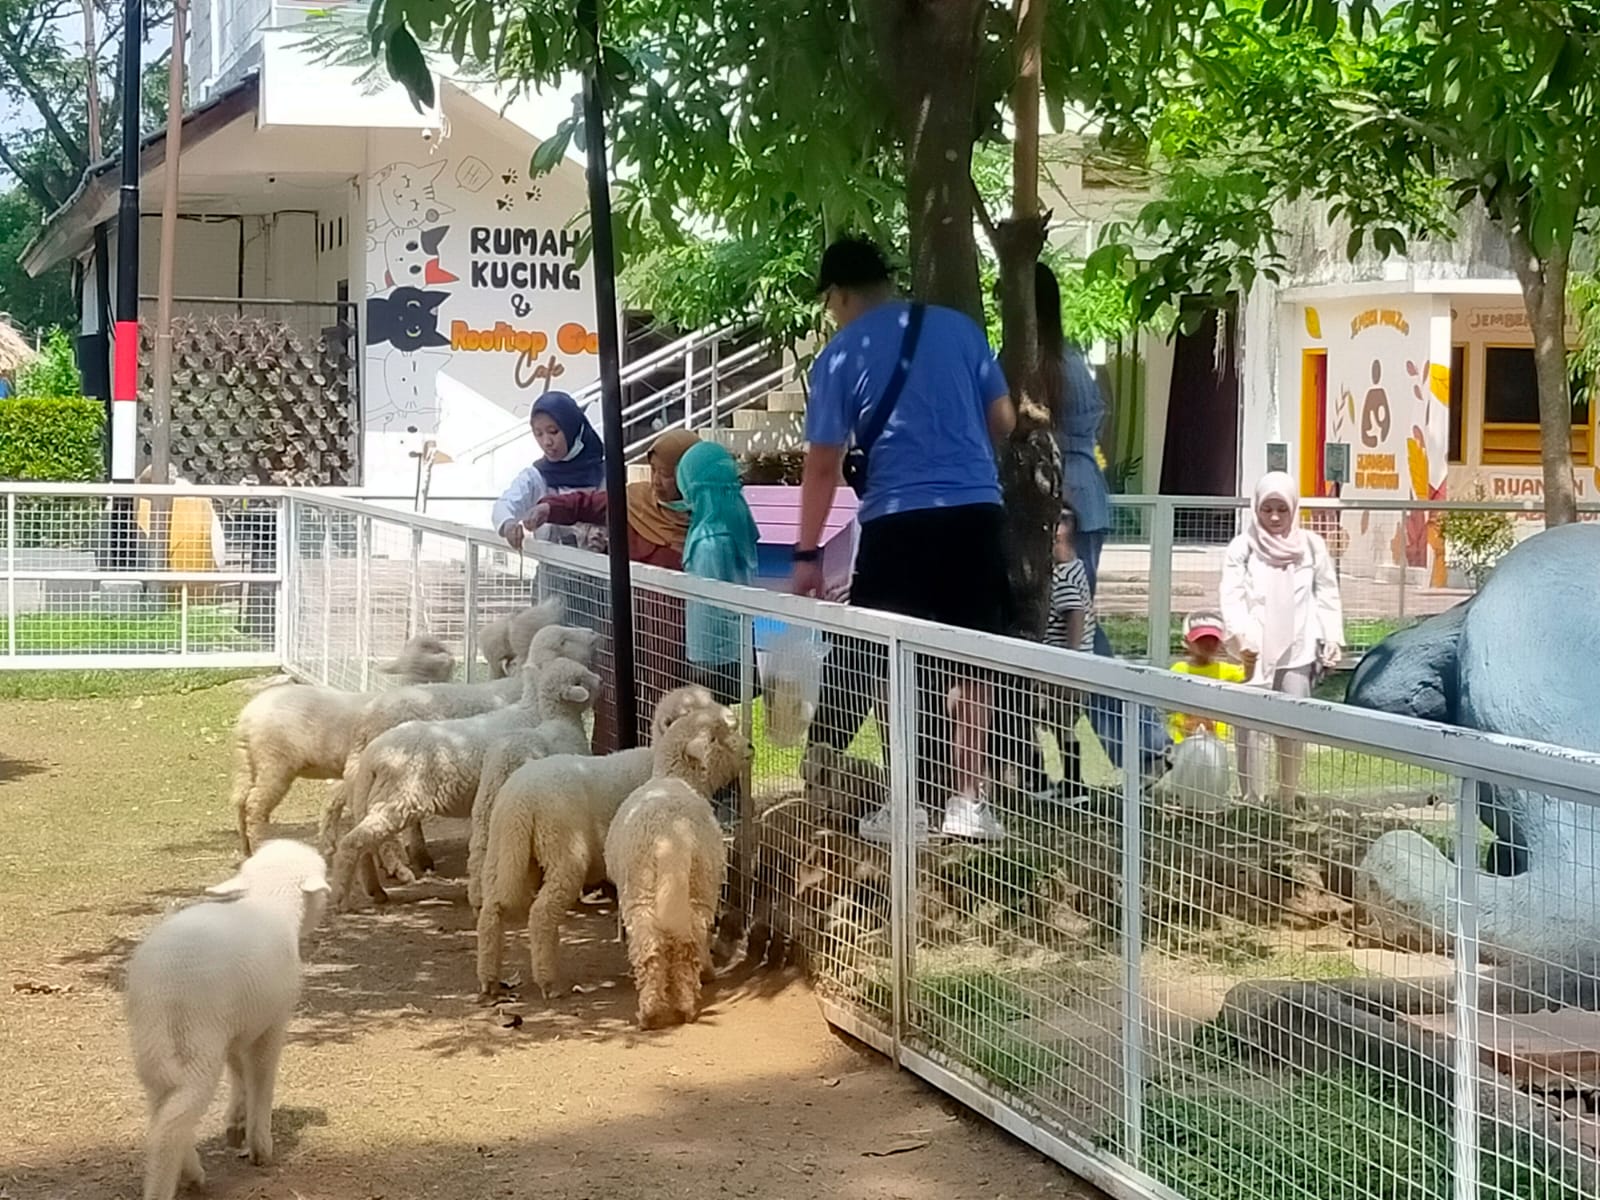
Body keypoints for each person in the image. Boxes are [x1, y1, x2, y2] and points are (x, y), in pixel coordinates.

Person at [793, 235, 1016, 844]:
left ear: (838, 294)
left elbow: (821, 465)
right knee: (974, 661)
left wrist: (808, 553)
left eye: (831, 304)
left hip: (897, 521)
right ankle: (969, 801)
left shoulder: (839, 357)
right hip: (975, 510)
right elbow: (1004, 421)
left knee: (895, 659)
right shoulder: (962, 330)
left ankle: (909, 806)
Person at [522, 430, 700, 747]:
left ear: (690, 476)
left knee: (664, 690)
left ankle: (657, 764)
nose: (658, 482)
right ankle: (607, 762)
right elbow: (589, 503)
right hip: (625, 609)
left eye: (669, 475)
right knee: (613, 685)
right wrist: (549, 508)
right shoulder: (635, 500)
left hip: (671, 621)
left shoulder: (706, 517)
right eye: (655, 471)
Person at [1220, 471, 1345, 806]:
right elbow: (1231, 597)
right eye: (1266, 509)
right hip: (1254, 651)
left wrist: (1332, 637)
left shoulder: (1311, 547)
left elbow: (1327, 595)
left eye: (1282, 509)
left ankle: (1287, 797)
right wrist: (1242, 638)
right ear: (1255, 508)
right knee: (1248, 726)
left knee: (1293, 725)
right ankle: (1250, 797)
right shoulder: (1242, 548)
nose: (1274, 517)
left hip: (1298, 649)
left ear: (1294, 508)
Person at [1038, 263, 1113, 643]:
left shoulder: (1041, 362)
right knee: (1079, 610)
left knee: (1073, 614)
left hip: (1062, 491)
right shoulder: (1072, 358)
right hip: (1087, 491)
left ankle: (1113, 703)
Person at [676, 439, 760, 705]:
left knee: (711, 727)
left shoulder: (708, 539)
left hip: (712, 654)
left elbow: (710, 606)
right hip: (740, 645)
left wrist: (704, 663)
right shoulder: (736, 518)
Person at [490, 392, 606, 551]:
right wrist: (508, 525)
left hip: (600, 570)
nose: (547, 442)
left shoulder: (605, 475)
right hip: (551, 569)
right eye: (538, 434)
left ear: (571, 428)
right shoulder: (536, 476)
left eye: (553, 431)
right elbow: (506, 504)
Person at [1037, 507, 1097, 802]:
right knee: (1050, 722)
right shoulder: (1078, 566)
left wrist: (1070, 658)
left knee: (1056, 723)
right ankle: (1046, 781)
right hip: (1066, 663)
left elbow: (1075, 612)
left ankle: (1072, 784)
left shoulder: (1064, 574)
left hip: (1062, 665)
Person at [1168, 610, 1246, 745]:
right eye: (1201, 640)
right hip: (1182, 740)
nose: (1208, 644)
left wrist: (1249, 660)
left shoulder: (1225, 670)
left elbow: (1248, 676)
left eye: (1213, 640)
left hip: (1216, 741)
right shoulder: (1178, 670)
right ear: (1187, 642)